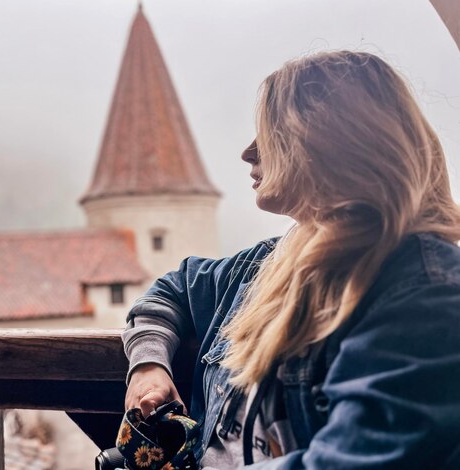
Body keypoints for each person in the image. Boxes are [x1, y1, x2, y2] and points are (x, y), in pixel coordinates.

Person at [121, 50, 460, 469]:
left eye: (271, 130)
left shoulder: (426, 293)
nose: (248, 153)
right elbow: (169, 291)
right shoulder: (263, 267)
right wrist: (149, 364)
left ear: (331, 140)